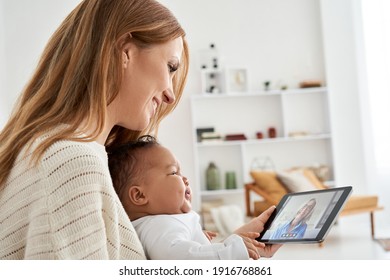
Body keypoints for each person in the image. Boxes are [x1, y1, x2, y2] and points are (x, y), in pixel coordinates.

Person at [0, 0, 190, 260]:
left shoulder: (47, 149)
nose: (170, 93)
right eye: (170, 66)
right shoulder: (73, 163)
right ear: (126, 51)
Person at [107, 135, 282, 260]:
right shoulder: (158, 226)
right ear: (139, 195)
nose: (185, 179)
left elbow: (196, 254)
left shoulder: (164, 224)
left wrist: (249, 245)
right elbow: (178, 257)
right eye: (174, 172)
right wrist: (232, 250)